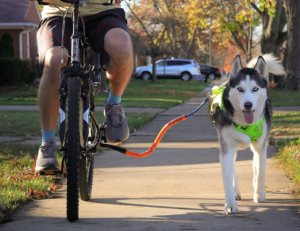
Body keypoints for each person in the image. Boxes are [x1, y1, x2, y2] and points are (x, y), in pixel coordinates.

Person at [28, 0, 133, 171]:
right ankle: (47, 143)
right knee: (55, 60)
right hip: (58, 12)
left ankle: (114, 103)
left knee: (122, 46)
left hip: (103, 10)